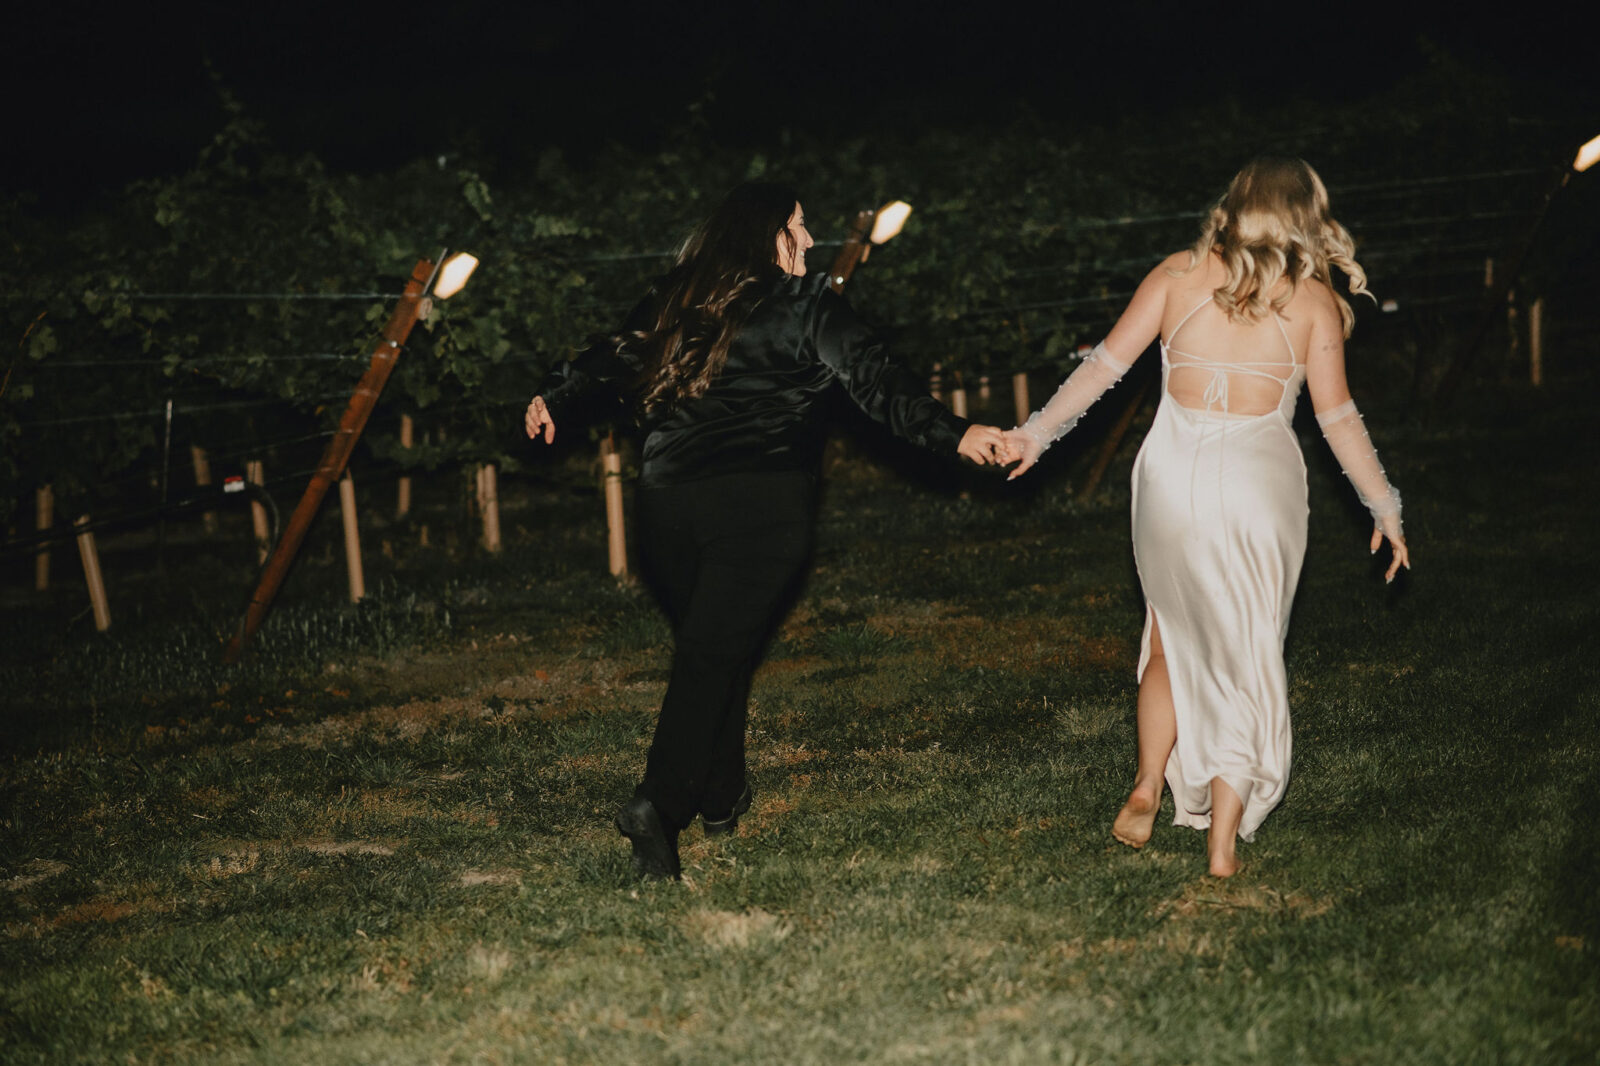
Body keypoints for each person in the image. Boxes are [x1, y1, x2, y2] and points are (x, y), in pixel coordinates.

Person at [525, 181, 1010, 879]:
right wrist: (956, 433)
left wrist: (554, 394)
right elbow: (878, 382)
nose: (811, 241)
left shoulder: (677, 300)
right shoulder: (807, 308)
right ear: (766, 235)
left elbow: (611, 355)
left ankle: (722, 794)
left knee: (713, 648)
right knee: (711, 654)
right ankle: (658, 805)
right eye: (800, 226)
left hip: (668, 513)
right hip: (762, 510)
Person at [1005, 157, 1410, 877]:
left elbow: (1103, 367)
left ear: (1234, 206)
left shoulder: (1177, 274)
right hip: (1257, 487)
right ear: (1304, 218)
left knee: (1167, 637)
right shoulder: (1313, 303)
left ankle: (1144, 784)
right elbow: (1339, 419)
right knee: (1245, 654)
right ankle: (1221, 843)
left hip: (1170, 477)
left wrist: (1036, 433)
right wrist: (1385, 506)